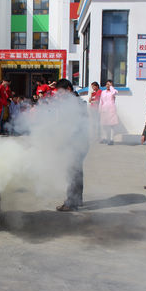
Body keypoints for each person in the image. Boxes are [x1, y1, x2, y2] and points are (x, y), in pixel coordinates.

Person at [55, 79, 89, 212]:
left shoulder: (75, 103)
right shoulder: (76, 101)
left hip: (76, 142)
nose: (59, 95)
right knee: (77, 172)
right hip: (80, 142)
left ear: (68, 89)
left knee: (72, 172)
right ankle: (77, 199)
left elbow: (73, 126)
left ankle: (71, 203)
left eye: (61, 92)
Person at [98, 79, 119, 145]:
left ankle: (111, 139)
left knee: (111, 125)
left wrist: (111, 87)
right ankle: (105, 138)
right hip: (104, 109)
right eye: (107, 84)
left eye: (109, 84)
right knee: (104, 124)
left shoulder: (114, 91)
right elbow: (101, 101)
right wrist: (100, 109)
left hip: (111, 110)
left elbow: (114, 93)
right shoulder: (103, 92)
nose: (108, 85)